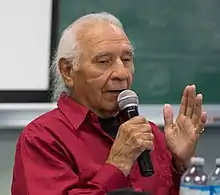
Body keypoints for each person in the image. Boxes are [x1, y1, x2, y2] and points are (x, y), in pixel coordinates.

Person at [11, 12, 206, 195]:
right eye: (104, 61)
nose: (122, 74)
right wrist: (118, 164)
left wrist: (180, 165)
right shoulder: (42, 139)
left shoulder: (149, 133)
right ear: (68, 71)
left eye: (126, 59)